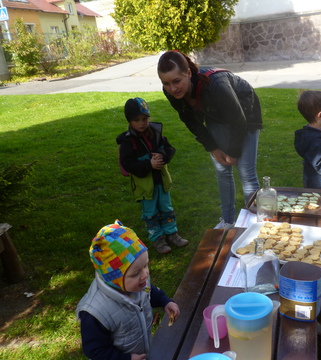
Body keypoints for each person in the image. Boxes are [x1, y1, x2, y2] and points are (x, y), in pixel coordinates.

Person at [157, 51, 262, 229]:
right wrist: (212, 147)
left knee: (246, 173)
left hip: (245, 112)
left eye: (176, 81)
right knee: (222, 170)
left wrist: (233, 152)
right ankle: (228, 221)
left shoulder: (217, 86)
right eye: (166, 83)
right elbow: (190, 120)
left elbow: (238, 121)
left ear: (188, 73)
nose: (173, 88)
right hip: (214, 113)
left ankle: (255, 224)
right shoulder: (171, 93)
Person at [76, 220, 180, 360]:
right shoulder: (95, 313)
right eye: (135, 273)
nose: (145, 274)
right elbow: (95, 351)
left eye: (145, 265)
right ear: (114, 278)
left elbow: (149, 291)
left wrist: (164, 301)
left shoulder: (138, 283)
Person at [116, 97, 188, 254]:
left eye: (145, 119)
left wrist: (162, 155)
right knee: (150, 214)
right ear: (130, 121)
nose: (142, 123)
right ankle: (158, 239)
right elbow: (128, 164)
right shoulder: (128, 142)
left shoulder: (155, 134)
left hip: (161, 182)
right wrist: (149, 164)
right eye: (137, 120)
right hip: (145, 187)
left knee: (166, 209)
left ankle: (172, 233)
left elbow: (168, 148)